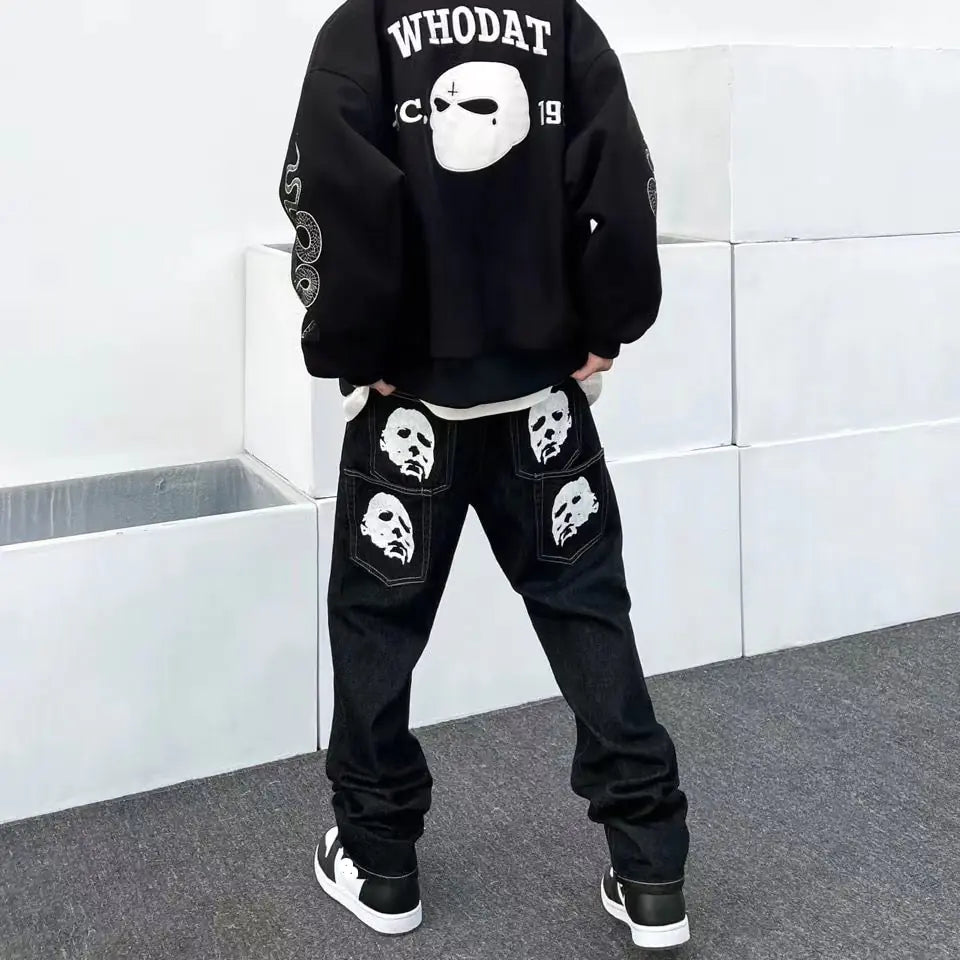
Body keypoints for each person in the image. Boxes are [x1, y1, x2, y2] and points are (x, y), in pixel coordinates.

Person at [278, 0, 690, 949]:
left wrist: (357, 344)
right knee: (585, 608)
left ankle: (380, 862)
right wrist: (607, 322)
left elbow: (330, 187)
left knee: (377, 624)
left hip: (412, 402)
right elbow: (621, 175)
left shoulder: (364, 26)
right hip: (539, 392)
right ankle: (652, 868)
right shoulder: (560, 21)